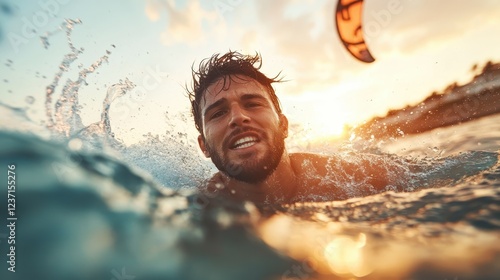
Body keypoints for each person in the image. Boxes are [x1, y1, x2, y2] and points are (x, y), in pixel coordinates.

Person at [186, 51, 420, 205]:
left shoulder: (357, 176)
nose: (238, 117)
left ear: (284, 125)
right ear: (204, 146)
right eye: (218, 113)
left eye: (252, 103)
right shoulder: (196, 213)